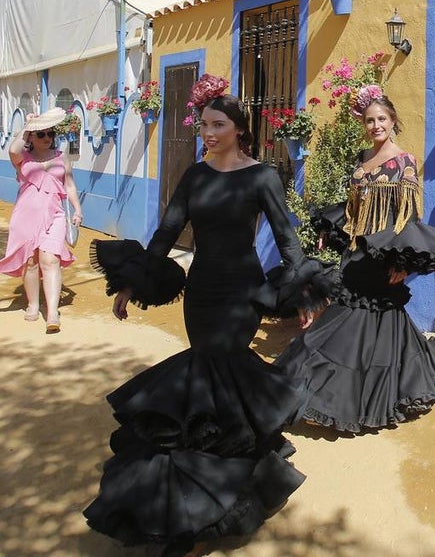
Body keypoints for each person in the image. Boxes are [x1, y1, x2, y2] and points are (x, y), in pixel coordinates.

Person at [84, 82, 315, 557]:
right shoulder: (194, 176)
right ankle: (188, 503)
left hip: (243, 293)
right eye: (204, 124)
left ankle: (204, 505)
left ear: (239, 130)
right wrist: (133, 281)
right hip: (202, 291)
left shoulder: (262, 177)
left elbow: (287, 238)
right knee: (208, 385)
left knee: (217, 374)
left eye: (218, 125)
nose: (207, 132)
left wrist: (302, 293)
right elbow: (166, 233)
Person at [274, 86, 435, 432]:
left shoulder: (403, 162)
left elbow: (408, 217)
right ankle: (333, 393)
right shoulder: (362, 159)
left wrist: (402, 263)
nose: (375, 125)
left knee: (371, 324)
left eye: (381, 119)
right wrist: (332, 231)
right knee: (351, 321)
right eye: (370, 120)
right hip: (357, 253)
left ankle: (358, 396)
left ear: (393, 122)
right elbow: (353, 210)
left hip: (384, 257)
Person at [0, 107, 83, 334]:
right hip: (26, 215)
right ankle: (33, 303)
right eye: (42, 134)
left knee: (50, 260)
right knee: (30, 262)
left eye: (50, 134)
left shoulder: (61, 156)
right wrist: (28, 126)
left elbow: (69, 184)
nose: (47, 138)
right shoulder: (21, 158)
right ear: (32, 138)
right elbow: (14, 148)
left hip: (55, 214)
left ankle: (53, 312)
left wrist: (77, 209)